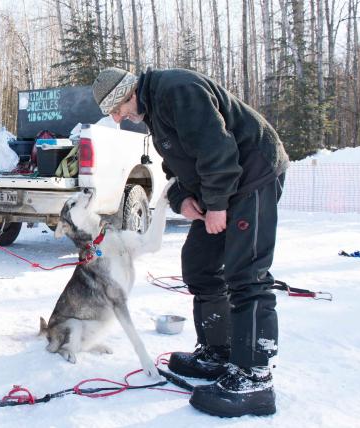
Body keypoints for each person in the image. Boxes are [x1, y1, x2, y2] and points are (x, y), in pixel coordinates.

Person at [92, 67, 289, 418]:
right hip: (224, 185)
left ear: (130, 91)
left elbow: (218, 150)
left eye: (117, 107)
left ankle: (254, 379)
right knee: (199, 263)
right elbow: (178, 163)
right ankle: (220, 352)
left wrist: (215, 205)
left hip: (252, 176)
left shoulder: (177, 90)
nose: (117, 117)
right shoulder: (155, 111)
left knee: (247, 274)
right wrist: (183, 197)